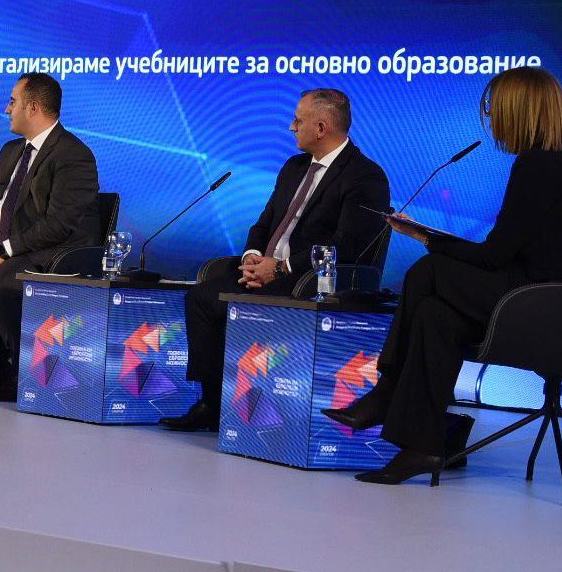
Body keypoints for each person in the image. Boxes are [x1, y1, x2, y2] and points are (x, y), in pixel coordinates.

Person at [324, 66, 562, 484]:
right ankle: (423, 446)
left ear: (519, 111)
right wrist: (433, 238)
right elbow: (504, 254)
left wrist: (429, 240)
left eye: (494, 109)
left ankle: (386, 391)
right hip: (539, 298)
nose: (490, 119)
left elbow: (493, 256)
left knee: (429, 270)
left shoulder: (538, 167)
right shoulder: (552, 165)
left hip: (544, 307)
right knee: (436, 317)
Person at [160, 88, 390, 432]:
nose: (292, 127)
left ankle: (260, 411)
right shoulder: (294, 167)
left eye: (298, 120)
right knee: (202, 298)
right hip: (268, 270)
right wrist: (253, 258)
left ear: (322, 128)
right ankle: (212, 402)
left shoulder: (365, 176)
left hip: (308, 280)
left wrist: (281, 268)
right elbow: (264, 223)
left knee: (239, 301)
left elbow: (345, 246)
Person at [0, 73, 100, 402]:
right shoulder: (11, 151)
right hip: (4, 245)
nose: (6, 108)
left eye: (13, 101)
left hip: (46, 251)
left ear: (33, 108)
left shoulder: (73, 155)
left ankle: (23, 373)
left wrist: (4, 251)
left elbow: (59, 225)